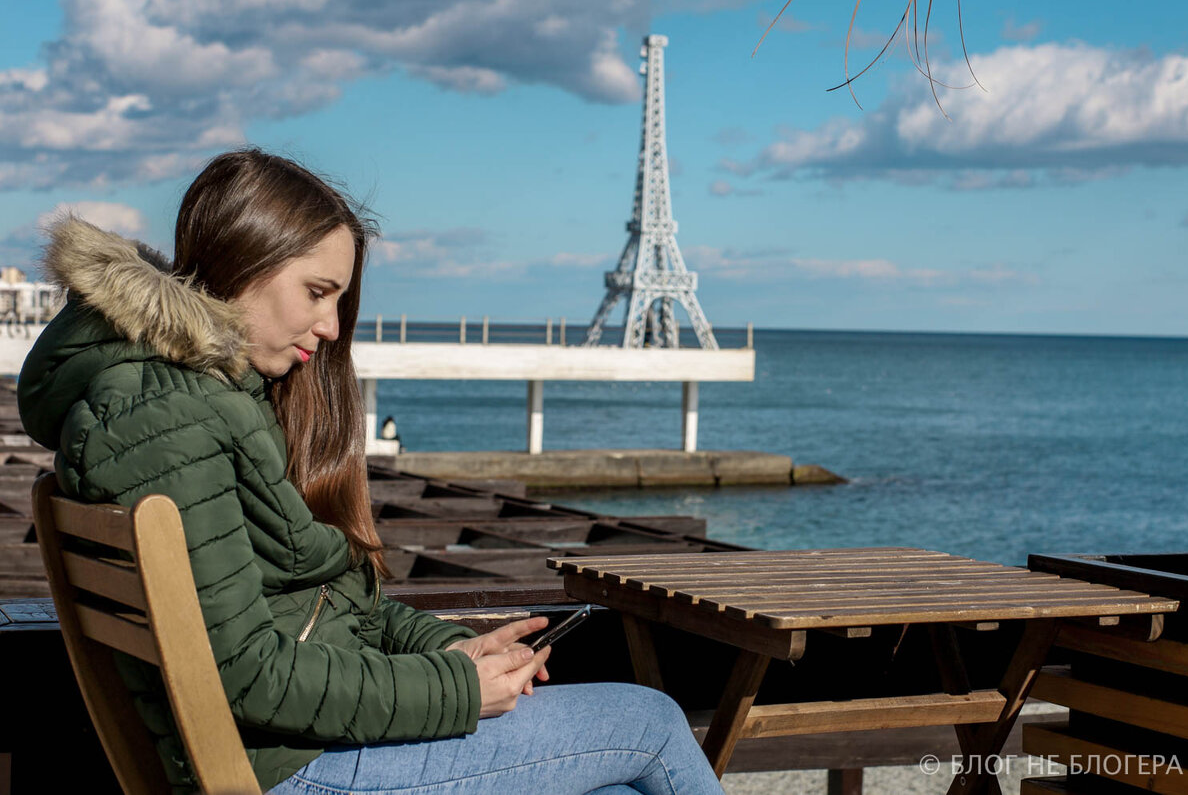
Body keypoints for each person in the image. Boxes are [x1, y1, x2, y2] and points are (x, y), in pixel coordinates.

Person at [17, 149, 723, 795]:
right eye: (317, 291)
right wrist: (455, 690)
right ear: (244, 259)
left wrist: (448, 648)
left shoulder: (186, 399)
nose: (330, 327)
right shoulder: (171, 419)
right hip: (288, 769)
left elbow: (319, 613)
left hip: (289, 747)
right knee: (651, 723)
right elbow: (247, 673)